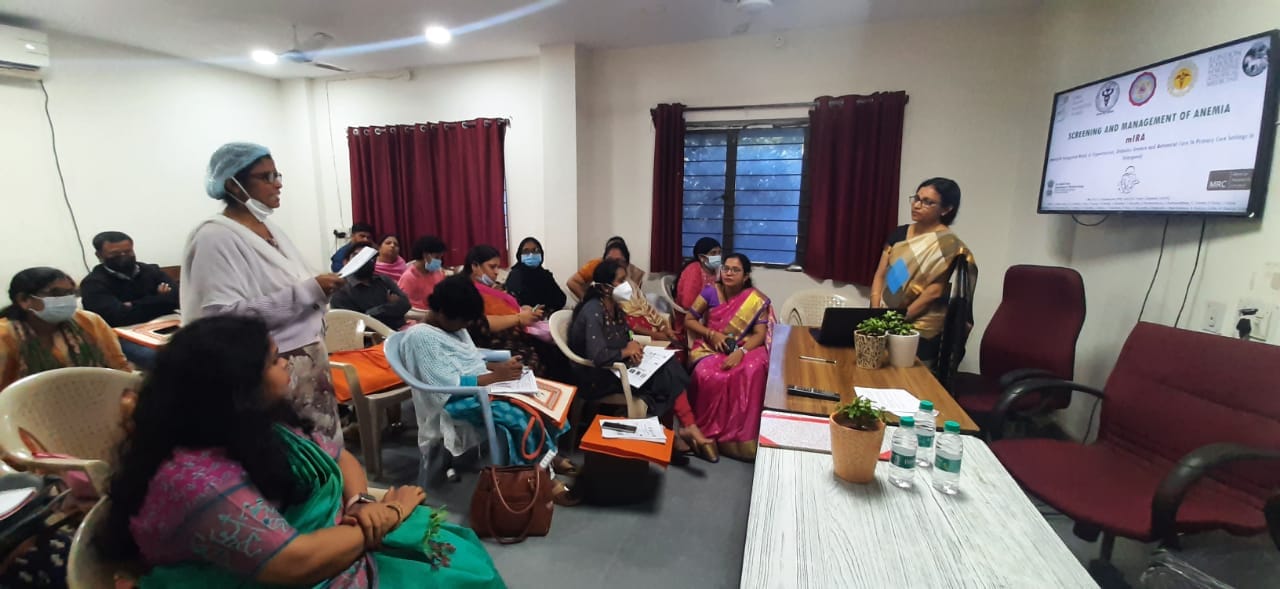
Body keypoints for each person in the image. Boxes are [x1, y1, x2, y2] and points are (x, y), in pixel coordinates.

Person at [101, 316, 506, 588]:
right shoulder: (194, 480)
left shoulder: (252, 421)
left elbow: (337, 456)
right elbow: (293, 564)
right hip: (303, 572)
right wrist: (389, 514)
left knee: (462, 553)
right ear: (238, 382)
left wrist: (361, 501)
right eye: (276, 361)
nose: (288, 369)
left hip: (339, 544)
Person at [181, 142, 347, 442]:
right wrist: (309, 291)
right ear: (233, 184)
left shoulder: (269, 229)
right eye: (266, 177)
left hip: (308, 359)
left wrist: (323, 287)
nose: (278, 184)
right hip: (269, 369)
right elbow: (224, 319)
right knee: (293, 452)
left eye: (277, 174)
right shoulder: (215, 237)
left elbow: (295, 286)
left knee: (324, 445)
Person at [398, 275, 579, 503]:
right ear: (443, 312)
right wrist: (495, 376)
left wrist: (499, 369)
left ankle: (546, 455)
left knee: (541, 398)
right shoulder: (420, 337)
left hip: (485, 385)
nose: (465, 327)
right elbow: (444, 385)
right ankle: (541, 476)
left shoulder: (452, 325)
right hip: (457, 401)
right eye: (463, 321)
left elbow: (470, 359)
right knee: (519, 417)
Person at [569, 260, 717, 462]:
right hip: (597, 376)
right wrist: (625, 351)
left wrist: (634, 347)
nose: (627, 286)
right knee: (665, 377)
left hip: (617, 368)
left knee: (668, 364)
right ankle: (679, 433)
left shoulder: (615, 307)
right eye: (621, 281)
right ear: (605, 287)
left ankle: (678, 433)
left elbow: (624, 336)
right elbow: (598, 355)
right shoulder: (593, 310)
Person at [870, 177, 977, 364]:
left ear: (946, 209)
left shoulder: (948, 244)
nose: (917, 205)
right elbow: (881, 274)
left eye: (927, 202)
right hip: (883, 315)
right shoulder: (899, 233)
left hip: (919, 327)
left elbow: (934, 292)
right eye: (916, 198)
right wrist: (874, 309)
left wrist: (898, 320)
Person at [682, 254, 773, 462]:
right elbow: (689, 319)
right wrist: (711, 334)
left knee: (752, 369)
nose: (729, 273)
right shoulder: (710, 292)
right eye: (726, 268)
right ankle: (707, 432)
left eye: (735, 270)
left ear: (746, 276)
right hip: (709, 345)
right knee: (708, 374)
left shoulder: (755, 299)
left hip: (743, 346)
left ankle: (740, 438)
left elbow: (759, 334)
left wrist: (740, 353)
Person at [0, 267, 130, 391]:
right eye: (55, 293)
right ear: (24, 300)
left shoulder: (89, 321)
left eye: (70, 293)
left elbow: (118, 366)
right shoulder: (5, 335)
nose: (65, 299)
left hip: (92, 395)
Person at [80, 231, 181, 368]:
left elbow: (176, 298)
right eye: (115, 254)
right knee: (162, 359)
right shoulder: (93, 284)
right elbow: (115, 317)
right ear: (99, 255)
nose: (123, 257)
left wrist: (131, 306)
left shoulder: (151, 270)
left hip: (167, 323)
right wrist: (159, 299)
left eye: (128, 252)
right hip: (124, 335)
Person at [464, 244, 550, 376]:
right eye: (492, 267)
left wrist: (524, 312)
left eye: (498, 267)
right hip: (486, 342)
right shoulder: (465, 291)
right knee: (531, 358)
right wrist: (519, 318)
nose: (497, 272)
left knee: (549, 350)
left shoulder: (495, 289)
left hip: (510, 333)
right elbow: (481, 323)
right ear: (475, 266)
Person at [567, 238, 676, 342]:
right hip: (635, 340)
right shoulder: (601, 307)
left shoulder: (629, 285)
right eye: (610, 261)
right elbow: (602, 350)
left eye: (619, 261)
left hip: (640, 336)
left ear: (626, 264)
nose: (614, 265)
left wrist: (664, 328)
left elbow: (646, 308)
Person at [331, 246, 412, 330]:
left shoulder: (383, 279)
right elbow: (357, 323)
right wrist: (389, 307)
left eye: (370, 258)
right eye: (357, 256)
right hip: (369, 338)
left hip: (398, 331)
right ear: (346, 262)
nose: (366, 261)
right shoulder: (341, 291)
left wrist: (373, 312)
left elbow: (406, 304)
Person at [673, 237, 721, 342]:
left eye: (719, 253)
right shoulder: (693, 270)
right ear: (702, 257)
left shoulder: (715, 270)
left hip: (712, 313)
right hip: (692, 318)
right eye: (713, 253)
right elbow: (687, 303)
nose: (717, 256)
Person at [504, 236, 568, 313]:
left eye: (535, 251)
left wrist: (547, 310)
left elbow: (560, 299)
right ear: (519, 255)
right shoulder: (515, 276)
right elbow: (513, 303)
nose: (531, 255)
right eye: (526, 251)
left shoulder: (545, 275)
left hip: (547, 318)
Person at [399, 235, 448, 310]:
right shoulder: (408, 277)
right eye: (437, 257)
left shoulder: (437, 272)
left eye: (441, 257)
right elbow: (403, 307)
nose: (440, 261)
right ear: (425, 255)